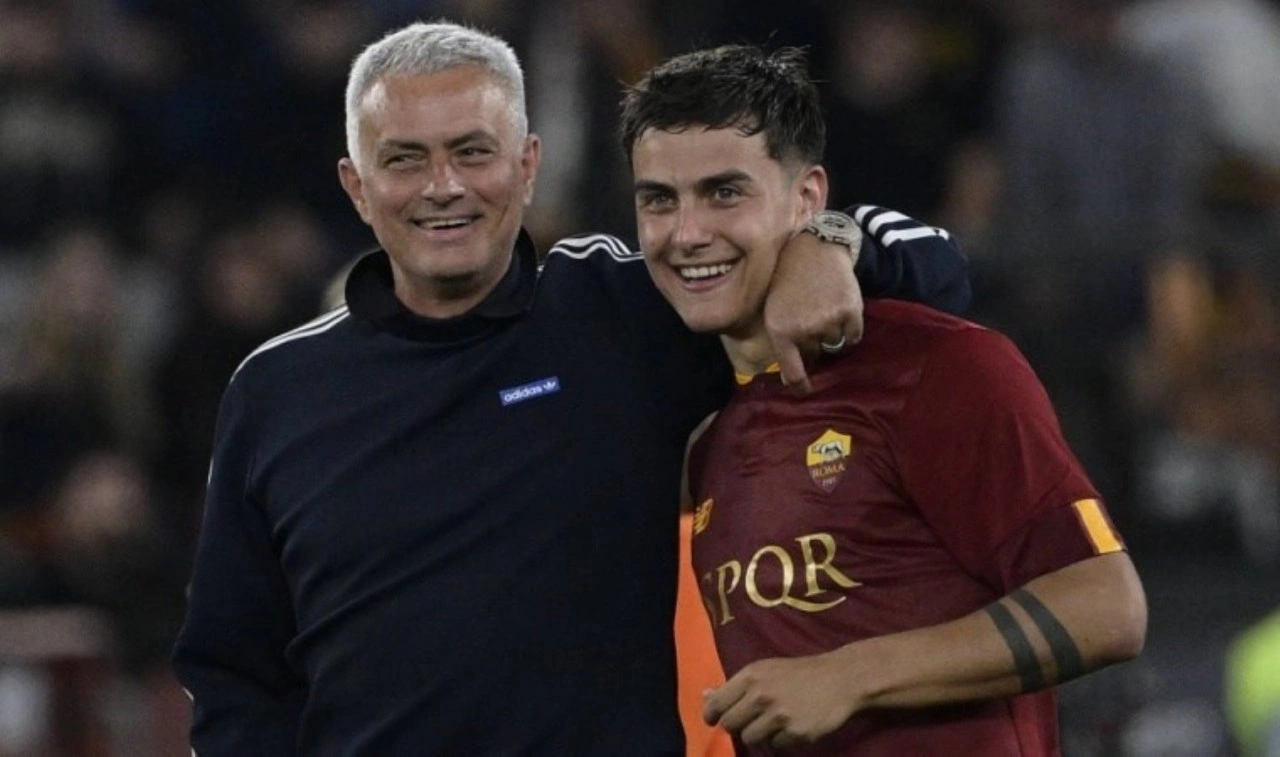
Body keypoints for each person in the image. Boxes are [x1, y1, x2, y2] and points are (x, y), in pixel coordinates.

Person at [170, 21, 971, 755]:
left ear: (528, 166)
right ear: (356, 186)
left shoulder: (624, 312)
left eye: (473, 152)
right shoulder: (275, 392)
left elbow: (938, 265)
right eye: (404, 159)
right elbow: (233, 675)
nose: (442, 185)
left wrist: (826, 245)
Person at [620, 44, 1147, 755]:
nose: (687, 233)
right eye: (659, 199)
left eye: (724, 193)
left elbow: (1107, 604)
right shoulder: (710, 435)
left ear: (807, 199)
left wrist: (850, 676)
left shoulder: (933, 365)